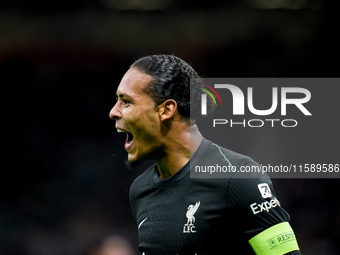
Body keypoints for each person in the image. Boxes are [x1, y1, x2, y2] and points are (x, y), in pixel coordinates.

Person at [109, 54, 301, 255]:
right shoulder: (140, 190)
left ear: (166, 109)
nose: (113, 112)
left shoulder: (238, 177)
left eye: (126, 101)